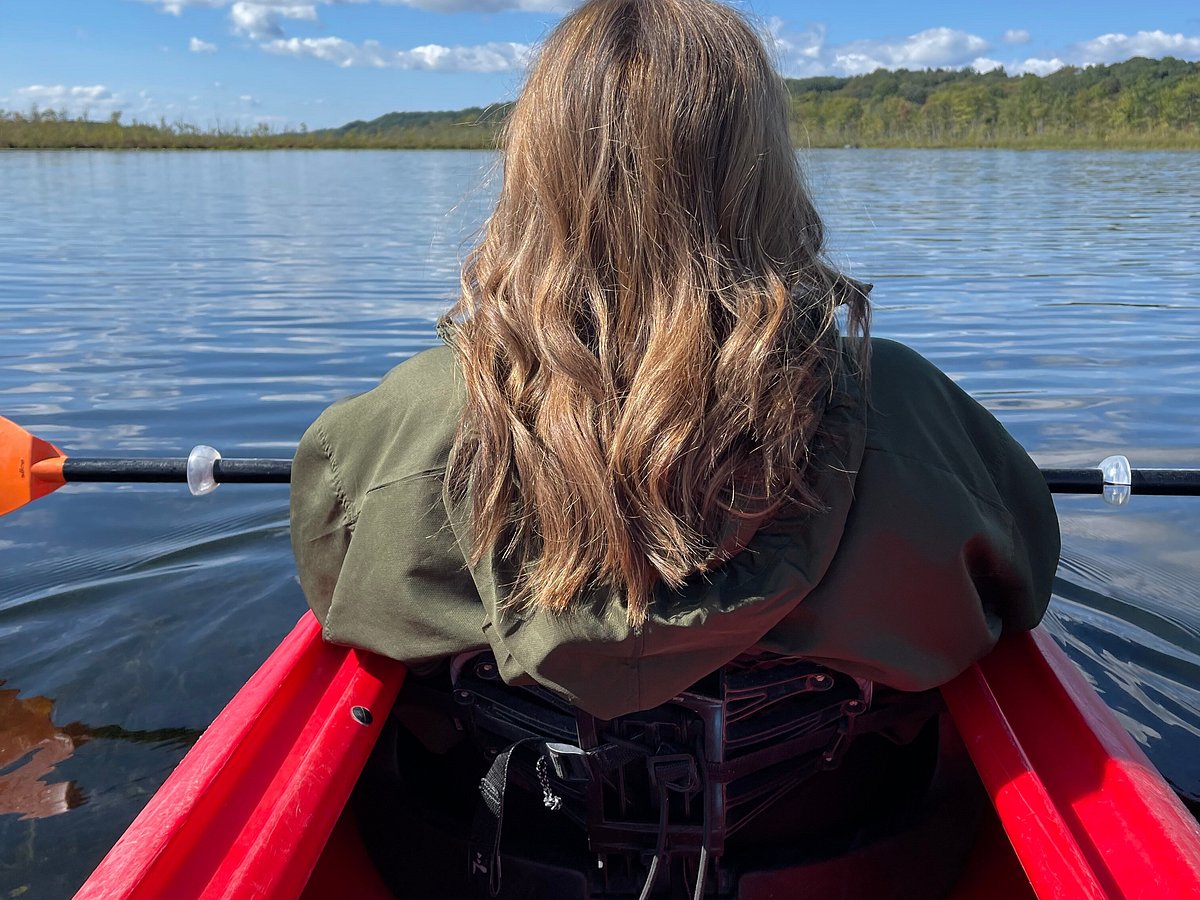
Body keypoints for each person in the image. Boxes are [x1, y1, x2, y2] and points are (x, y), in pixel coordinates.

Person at [291, 1, 1058, 891]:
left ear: (535, 167)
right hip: (841, 857)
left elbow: (332, 588)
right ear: (768, 171)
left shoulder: (401, 425)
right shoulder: (911, 411)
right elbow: (1024, 585)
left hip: (485, 857)